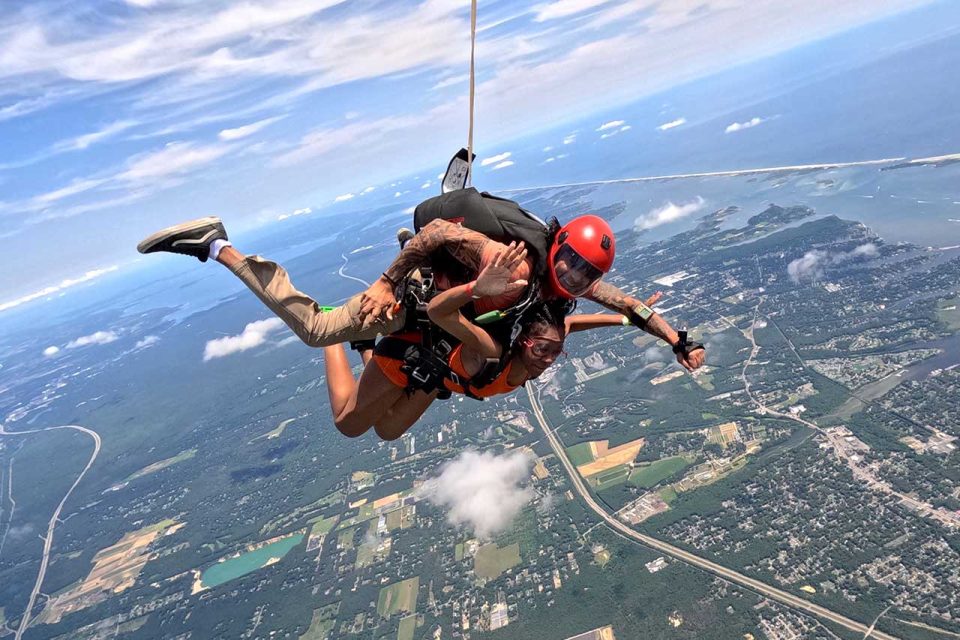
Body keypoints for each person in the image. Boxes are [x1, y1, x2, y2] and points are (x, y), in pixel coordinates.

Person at [136, 197, 703, 370]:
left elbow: (629, 305)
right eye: (572, 263)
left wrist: (676, 339)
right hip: (411, 296)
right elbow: (434, 229)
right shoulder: (513, 260)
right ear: (556, 245)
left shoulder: (569, 287)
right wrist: (387, 282)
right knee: (315, 330)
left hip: (439, 303)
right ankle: (218, 245)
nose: (574, 277)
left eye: (585, 274)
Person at [323, 241, 655, 440]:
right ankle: (332, 336)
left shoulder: (543, 345)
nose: (550, 358)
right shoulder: (495, 349)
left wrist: (628, 317)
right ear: (523, 342)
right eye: (542, 349)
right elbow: (440, 313)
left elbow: (576, 323)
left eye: (556, 351)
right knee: (349, 425)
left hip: (433, 376)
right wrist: (477, 289)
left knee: (387, 429)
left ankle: (366, 345)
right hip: (410, 356)